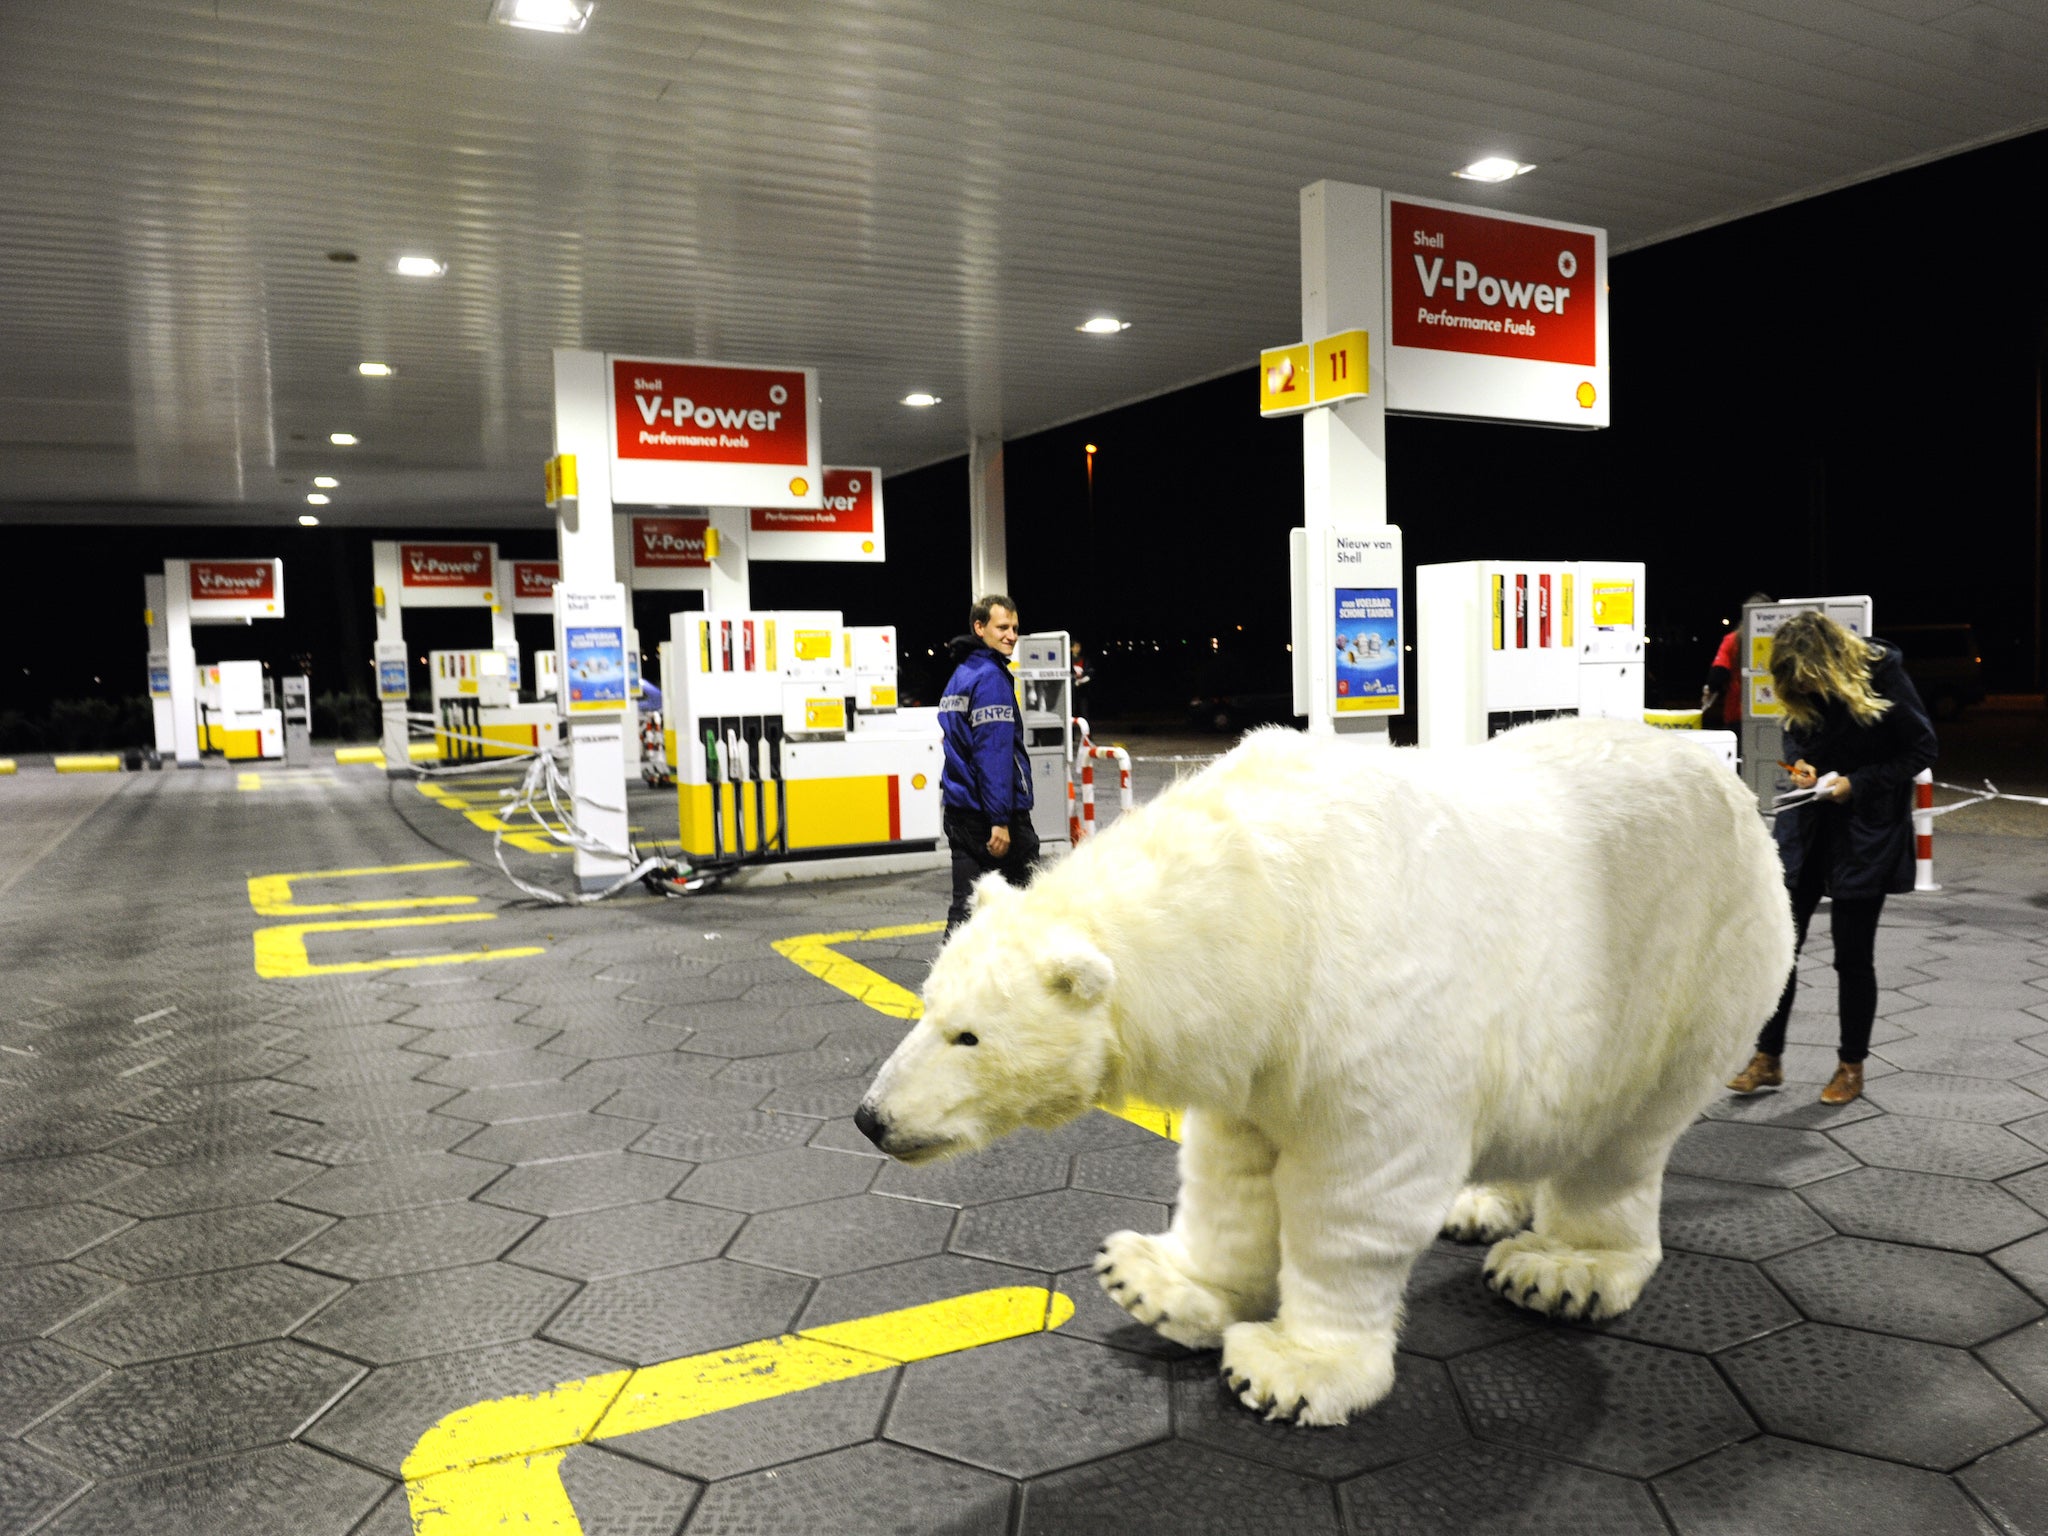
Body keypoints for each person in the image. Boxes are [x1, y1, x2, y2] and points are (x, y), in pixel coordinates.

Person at [1728, 612, 1937, 1105]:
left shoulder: (1881, 673)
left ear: (1830, 661)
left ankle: (1851, 1066)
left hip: (1866, 830)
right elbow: (1798, 734)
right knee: (1780, 946)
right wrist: (1803, 766)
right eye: (1793, 679)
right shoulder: (1801, 684)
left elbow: (1922, 748)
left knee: (1852, 956)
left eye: (1808, 676)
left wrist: (1857, 784)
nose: (1801, 685)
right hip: (1810, 825)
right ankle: (1768, 1057)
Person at [939, 594, 1038, 934]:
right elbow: (993, 754)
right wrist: (1000, 820)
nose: (1011, 635)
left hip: (959, 810)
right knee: (1029, 905)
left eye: (1014, 628)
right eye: (1002, 627)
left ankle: (951, 981)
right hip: (990, 815)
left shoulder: (960, 674)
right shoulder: (991, 679)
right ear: (979, 627)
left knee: (966, 907)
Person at [1701, 592, 1772, 730]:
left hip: (1737, 715)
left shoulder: (1732, 640)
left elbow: (1717, 676)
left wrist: (1709, 693)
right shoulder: (1779, 640)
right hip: (1772, 713)